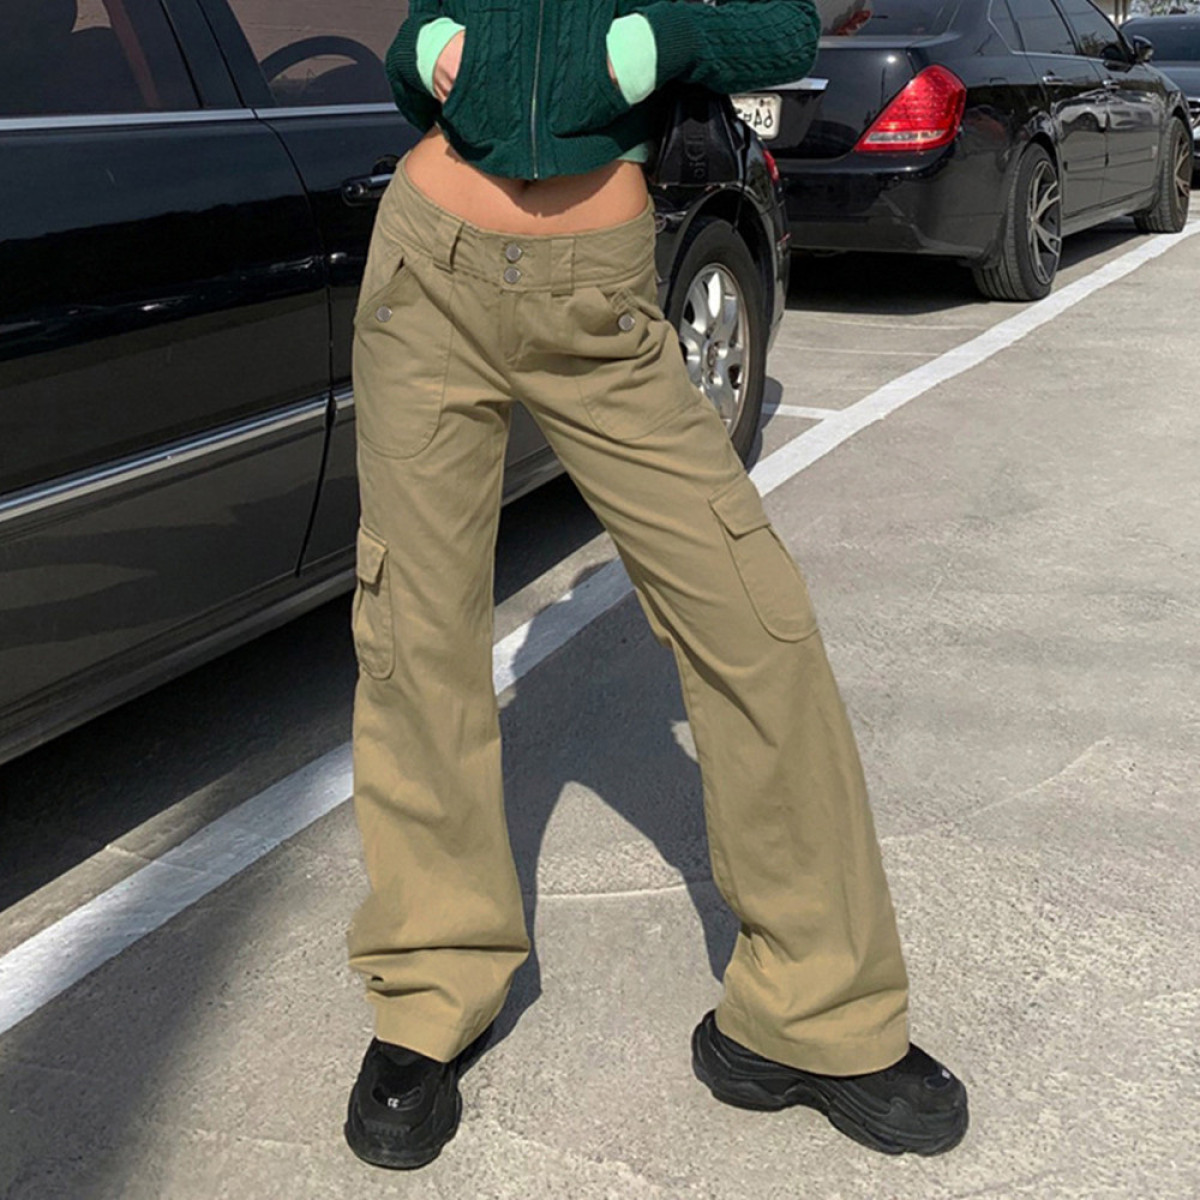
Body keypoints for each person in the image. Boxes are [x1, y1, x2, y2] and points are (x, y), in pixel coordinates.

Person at [343, 0, 968, 1171]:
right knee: (414, 633)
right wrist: (427, 52)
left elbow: (784, 33)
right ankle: (429, 987)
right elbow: (412, 46)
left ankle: (811, 1012)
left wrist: (652, 46)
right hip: (428, 272)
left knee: (755, 621)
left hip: (599, 298)